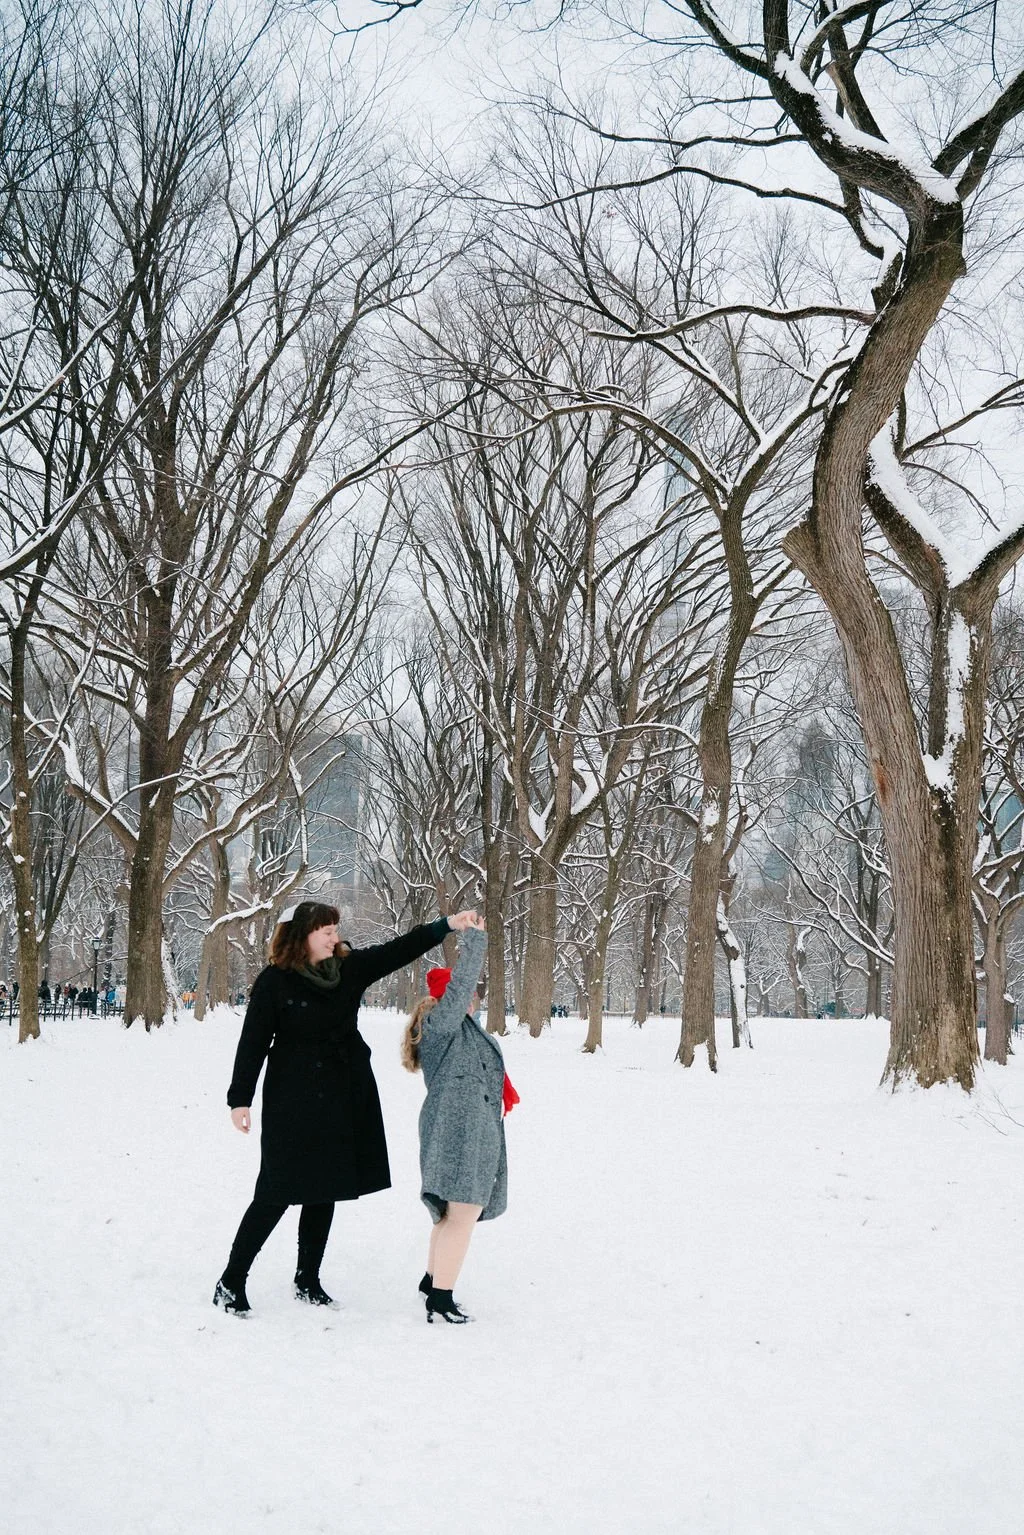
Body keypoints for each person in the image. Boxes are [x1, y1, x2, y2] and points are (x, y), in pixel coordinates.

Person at [213, 900, 481, 1317]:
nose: (335, 937)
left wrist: (447, 925)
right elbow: (253, 1042)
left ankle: (307, 1278)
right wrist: (239, 1098)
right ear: (304, 934)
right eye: (326, 931)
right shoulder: (275, 981)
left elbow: (399, 949)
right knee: (275, 1191)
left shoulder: (348, 969)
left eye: (336, 929)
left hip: (342, 1093)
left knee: (324, 1188)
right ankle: (231, 1281)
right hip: (293, 1098)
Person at [401, 919, 518, 1324]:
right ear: (450, 997)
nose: (474, 1000)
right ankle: (441, 1299)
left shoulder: (461, 1030)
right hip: (457, 1133)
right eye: (468, 994)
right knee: (462, 1215)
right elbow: (463, 982)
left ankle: (432, 1280)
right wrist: (477, 940)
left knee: (454, 1214)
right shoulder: (440, 1026)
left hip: (470, 1131)